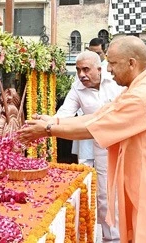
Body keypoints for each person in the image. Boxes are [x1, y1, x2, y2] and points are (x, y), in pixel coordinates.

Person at [19, 36, 146, 242]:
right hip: (143, 178)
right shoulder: (135, 89)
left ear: (132, 63)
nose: (109, 69)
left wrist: (49, 129)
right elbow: (99, 116)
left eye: (113, 63)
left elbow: (95, 126)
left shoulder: (141, 95)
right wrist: (55, 121)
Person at [55, 51, 124, 241]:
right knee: (105, 197)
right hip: (102, 148)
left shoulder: (116, 81)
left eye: (86, 69)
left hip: (128, 145)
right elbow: (65, 113)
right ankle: (111, 238)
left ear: (99, 69)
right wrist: (47, 125)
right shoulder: (77, 87)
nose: (81, 75)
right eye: (78, 70)